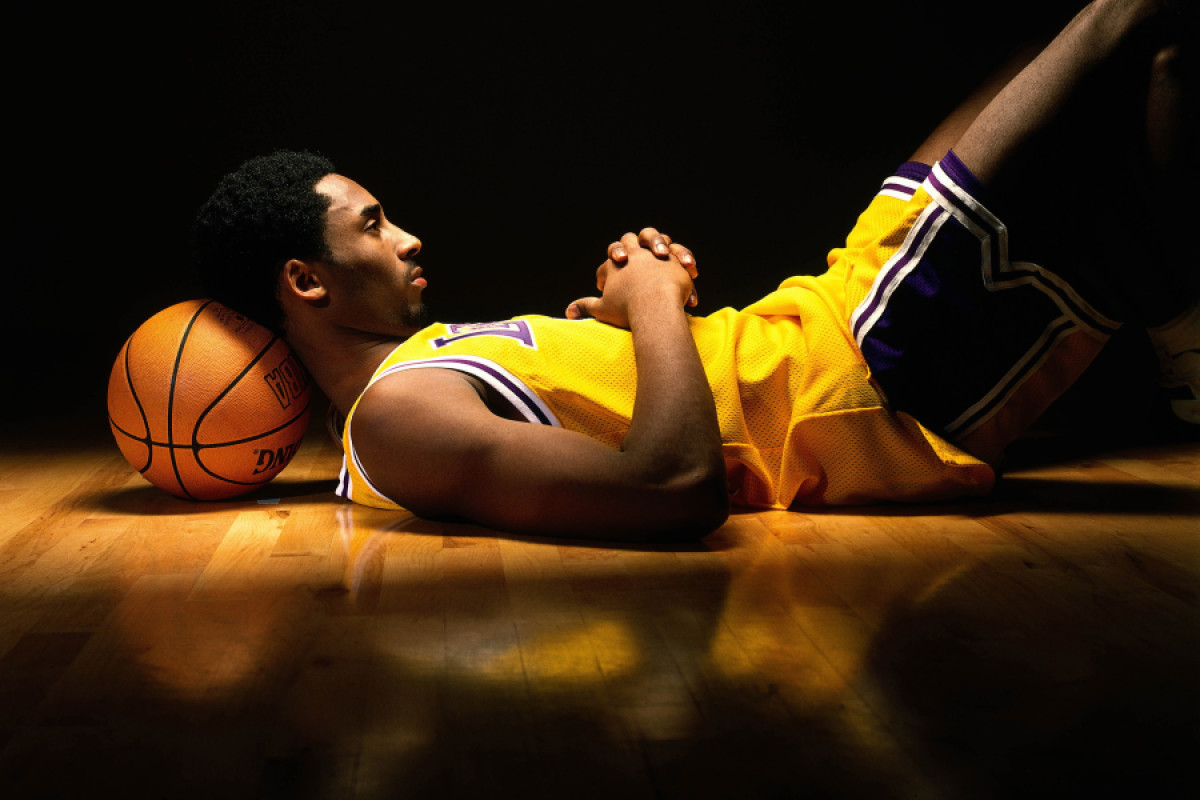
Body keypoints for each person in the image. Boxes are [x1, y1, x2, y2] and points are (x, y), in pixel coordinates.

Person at [193, 0, 1196, 541]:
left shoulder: (421, 368)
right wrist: (656, 303)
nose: (409, 238)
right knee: (1125, 26)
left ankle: (1166, 299)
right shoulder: (395, 415)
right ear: (307, 281)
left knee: (1103, 71)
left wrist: (620, 328)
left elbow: (637, 418)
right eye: (374, 226)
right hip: (864, 371)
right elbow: (673, 488)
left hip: (829, 309)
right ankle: (1181, 337)